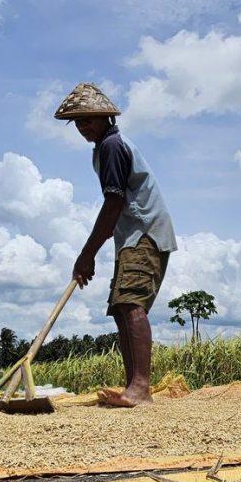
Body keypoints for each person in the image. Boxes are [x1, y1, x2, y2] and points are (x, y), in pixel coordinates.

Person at [55, 83, 177, 407]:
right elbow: (115, 209)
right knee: (121, 307)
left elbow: (113, 203)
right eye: (78, 122)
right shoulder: (103, 148)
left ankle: (140, 389)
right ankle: (132, 387)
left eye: (88, 120)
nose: (83, 127)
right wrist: (95, 250)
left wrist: (86, 255)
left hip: (145, 233)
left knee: (131, 303)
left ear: (106, 116)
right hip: (131, 236)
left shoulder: (112, 145)